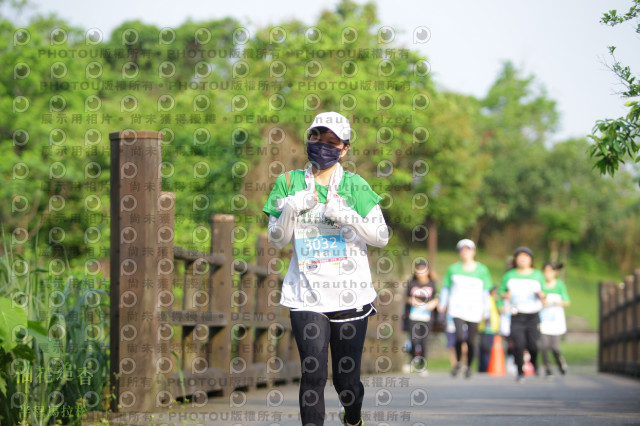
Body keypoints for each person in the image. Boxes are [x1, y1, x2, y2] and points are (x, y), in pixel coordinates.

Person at [262, 111, 389, 426]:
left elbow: (382, 237)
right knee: (313, 374)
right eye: (317, 138)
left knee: (346, 384)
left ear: (344, 149)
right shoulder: (288, 182)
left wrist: (349, 217)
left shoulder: (354, 185)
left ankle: (353, 416)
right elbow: (277, 240)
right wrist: (290, 210)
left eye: (332, 142)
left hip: (349, 296)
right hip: (305, 295)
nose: (322, 146)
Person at [437, 239, 493, 378]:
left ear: (473, 252)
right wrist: (442, 303)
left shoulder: (482, 270)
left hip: (474, 309)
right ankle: (457, 364)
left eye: (468, 249)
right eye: (462, 249)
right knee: (459, 337)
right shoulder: (453, 269)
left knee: (471, 341)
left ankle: (468, 366)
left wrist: (486, 310)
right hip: (457, 308)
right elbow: (446, 288)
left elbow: (486, 292)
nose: (465, 252)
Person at [498, 246, 546, 383]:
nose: (523, 259)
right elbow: (501, 292)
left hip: (533, 314)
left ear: (531, 259)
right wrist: (504, 297)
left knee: (532, 345)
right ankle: (520, 371)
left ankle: (534, 362)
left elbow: (544, 294)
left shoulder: (538, 275)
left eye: (526, 256)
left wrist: (542, 295)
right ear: (516, 259)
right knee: (518, 344)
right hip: (516, 314)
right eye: (520, 256)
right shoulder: (509, 275)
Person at [404, 260, 439, 375]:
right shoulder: (412, 283)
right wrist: (411, 300)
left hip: (427, 317)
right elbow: (406, 298)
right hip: (414, 316)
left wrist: (433, 303)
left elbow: (437, 297)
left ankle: (422, 365)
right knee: (414, 340)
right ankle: (412, 360)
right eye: (418, 270)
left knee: (424, 342)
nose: (420, 273)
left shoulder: (432, 284)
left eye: (423, 270)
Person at [539, 261, 571, 377]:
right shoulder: (540, 285)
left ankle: (560, 362)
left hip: (556, 321)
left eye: (550, 271)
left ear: (555, 272)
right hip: (543, 320)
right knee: (543, 347)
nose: (547, 274)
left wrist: (552, 302)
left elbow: (566, 302)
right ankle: (547, 369)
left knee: (555, 347)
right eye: (545, 271)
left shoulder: (559, 285)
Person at [477, 286, 500, 372]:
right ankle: (485, 367)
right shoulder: (488, 299)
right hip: (487, 328)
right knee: (486, 348)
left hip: (490, 328)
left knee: (485, 348)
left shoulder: (493, 300)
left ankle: (484, 367)